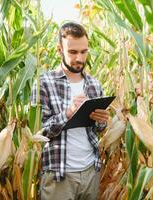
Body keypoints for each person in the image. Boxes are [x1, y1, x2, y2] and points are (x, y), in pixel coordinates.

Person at [30, 22, 109, 200]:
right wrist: (68, 113)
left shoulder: (94, 84)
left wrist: (102, 120)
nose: (79, 58)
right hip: (59, 175)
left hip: (90, 170)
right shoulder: (44, 83)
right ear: (59, 49)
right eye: (73, 52)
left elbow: (99, 129)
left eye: (84, 51)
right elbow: (38, 132)